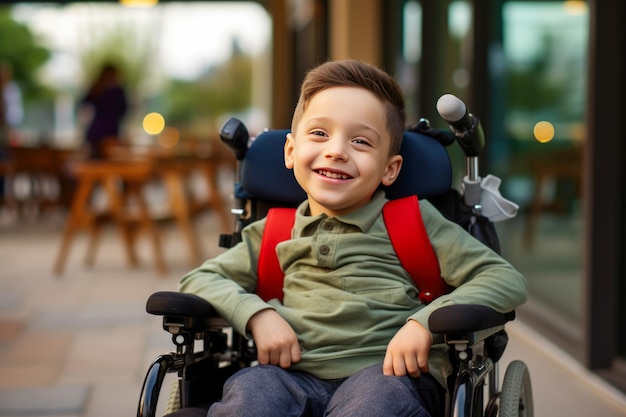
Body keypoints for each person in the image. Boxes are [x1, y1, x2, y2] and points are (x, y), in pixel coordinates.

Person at [177, 59, 528, 417]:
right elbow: (199, 280)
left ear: (390, 169)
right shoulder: (273, 231)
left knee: (374, 405)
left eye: (360, 141)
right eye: (319, 133)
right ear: (291, 151)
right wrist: (256, 314)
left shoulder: (413, 222)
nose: (337, 150)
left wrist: (423, 323)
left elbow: (504, 279)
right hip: (287, 374)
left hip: (388, 374)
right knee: (250, 393)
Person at [80, 63, 127, 158]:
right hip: (107, 131)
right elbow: (123, 110)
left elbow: (85, 103)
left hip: (99, 131)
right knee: (105, 160)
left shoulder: (99, 88)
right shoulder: (115, 91)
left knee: (98, 160)